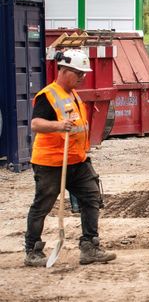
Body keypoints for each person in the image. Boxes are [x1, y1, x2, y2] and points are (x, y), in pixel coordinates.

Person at [24, 50, 116, 267]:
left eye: (83, 74)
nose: (82, 78)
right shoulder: (48, 95)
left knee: (91, 197)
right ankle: (32, 250)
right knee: (43, 205)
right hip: (50, 163)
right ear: (64, 71)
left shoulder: (73, 94)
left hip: (77, 160)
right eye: (78, 73)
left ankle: (89, 247)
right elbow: (36, 124)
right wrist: (58, 126)